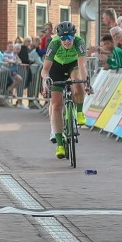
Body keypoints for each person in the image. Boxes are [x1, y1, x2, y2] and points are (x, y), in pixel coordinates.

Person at [41, 21, 90, 159]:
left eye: (69, 38)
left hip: (73, 65)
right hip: (56, 67)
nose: (66, 41)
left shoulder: (79, 42)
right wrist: (46, 81)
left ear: (74, 37)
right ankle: (60, 145)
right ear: (59, 38)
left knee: (78, 83)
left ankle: (79, 112)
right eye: (63, 38)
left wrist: (86, 83)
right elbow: (45, 70)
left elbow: (82, 66)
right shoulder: (54, 43)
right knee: (56, 104)